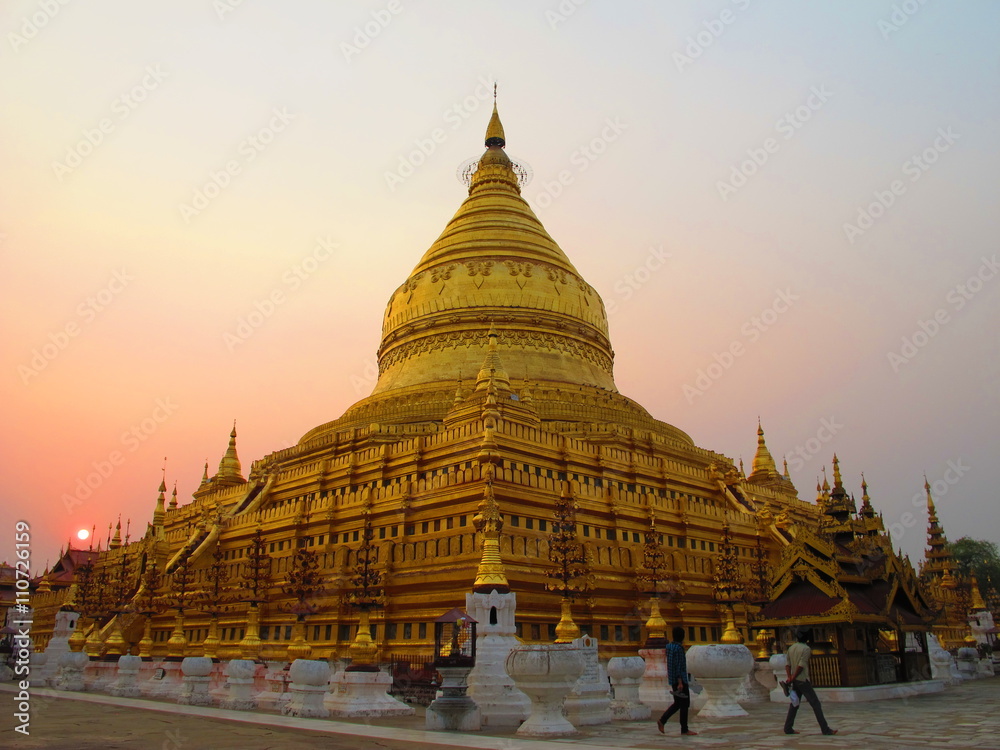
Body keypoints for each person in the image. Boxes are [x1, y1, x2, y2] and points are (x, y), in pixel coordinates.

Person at [783, 629, 837, 736]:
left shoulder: (791, 648)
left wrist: (790, 677)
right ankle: (825, 729)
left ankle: (788, 728)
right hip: (802, 680)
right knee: (815, 704)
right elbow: (801, 665)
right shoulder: (806, 649)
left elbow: (787, 664)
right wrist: (793, 677)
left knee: (795, 703)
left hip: (795, 680)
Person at [656, 626, 698, 736]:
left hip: (672, 679)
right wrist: (680, 682)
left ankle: (663, 720)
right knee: (684, 704)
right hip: (680, 680)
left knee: (678, 703)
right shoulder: (679, 648)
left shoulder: (669, 647)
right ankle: (684, 729)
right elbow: (679, 665)